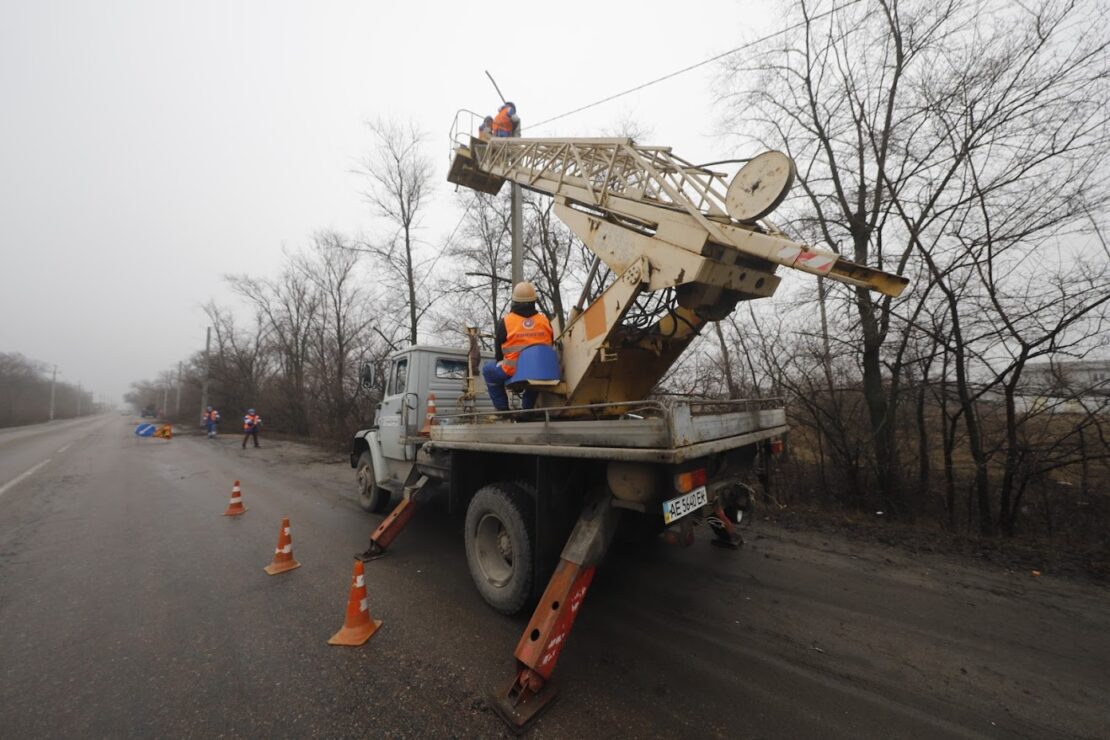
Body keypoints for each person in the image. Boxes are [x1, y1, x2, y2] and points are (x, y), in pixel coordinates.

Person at [482, 281, 553, 411]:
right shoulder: (544, 320)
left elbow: (499, 354)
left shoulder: (506, 322)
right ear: (534, 300)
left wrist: (502, 362)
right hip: (541, 369)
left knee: (488, 370)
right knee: (534, 379)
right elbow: (550, 344)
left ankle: (503, 409)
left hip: (513, 370)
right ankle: (527, 411)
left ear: (514, 300)